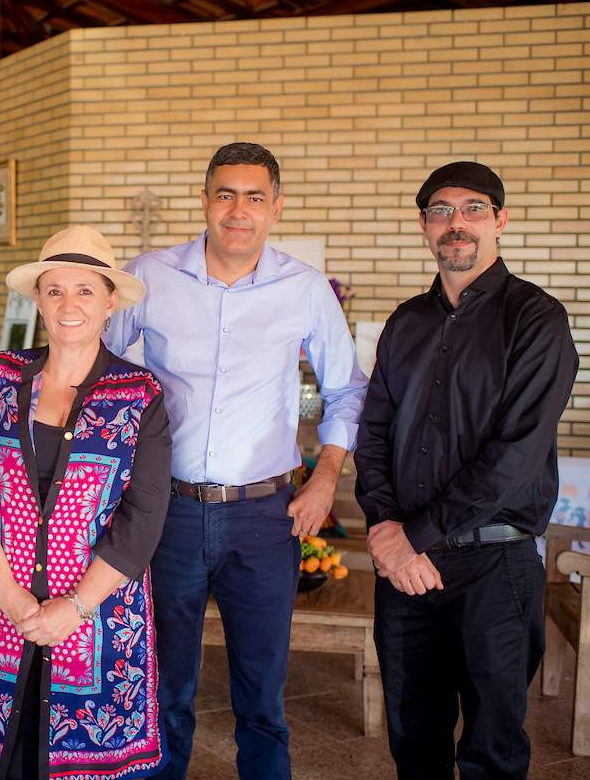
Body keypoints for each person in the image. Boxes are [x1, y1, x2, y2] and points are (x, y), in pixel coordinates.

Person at [105, 142, 368, 780]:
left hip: (264, 516)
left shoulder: (304, 288)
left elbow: (348, 389)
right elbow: (100, 369)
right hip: (168, 513)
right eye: (226, 194)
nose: (238, 210)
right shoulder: (151, 276)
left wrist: (324, 478)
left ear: (275, 208)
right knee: (162, 687)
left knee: (262, 692)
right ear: (205, 200)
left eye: (254, 196)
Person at [355, 162, 577, 779]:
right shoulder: (405, 323)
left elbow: (517, 453)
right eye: (440, 211)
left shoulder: (536, 319)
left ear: (500, 221)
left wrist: (412, 535)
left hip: (494, 567)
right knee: (413, 741)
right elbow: (372, 432)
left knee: (491, 750)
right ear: (425, 227)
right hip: (405, 570)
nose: (456, 223)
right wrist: (385, 530)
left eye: (473, 208)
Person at [0, 225, 173, 780]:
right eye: (55, 291)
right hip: (0, 613)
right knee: (3, 759)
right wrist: (11, 596)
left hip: (97, 622)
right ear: (39, 300)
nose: (69, 305)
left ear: (111, 301)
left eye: (86, 290)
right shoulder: (0, 377)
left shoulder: (139, 395)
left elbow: (142, 521)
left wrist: (74, 607)